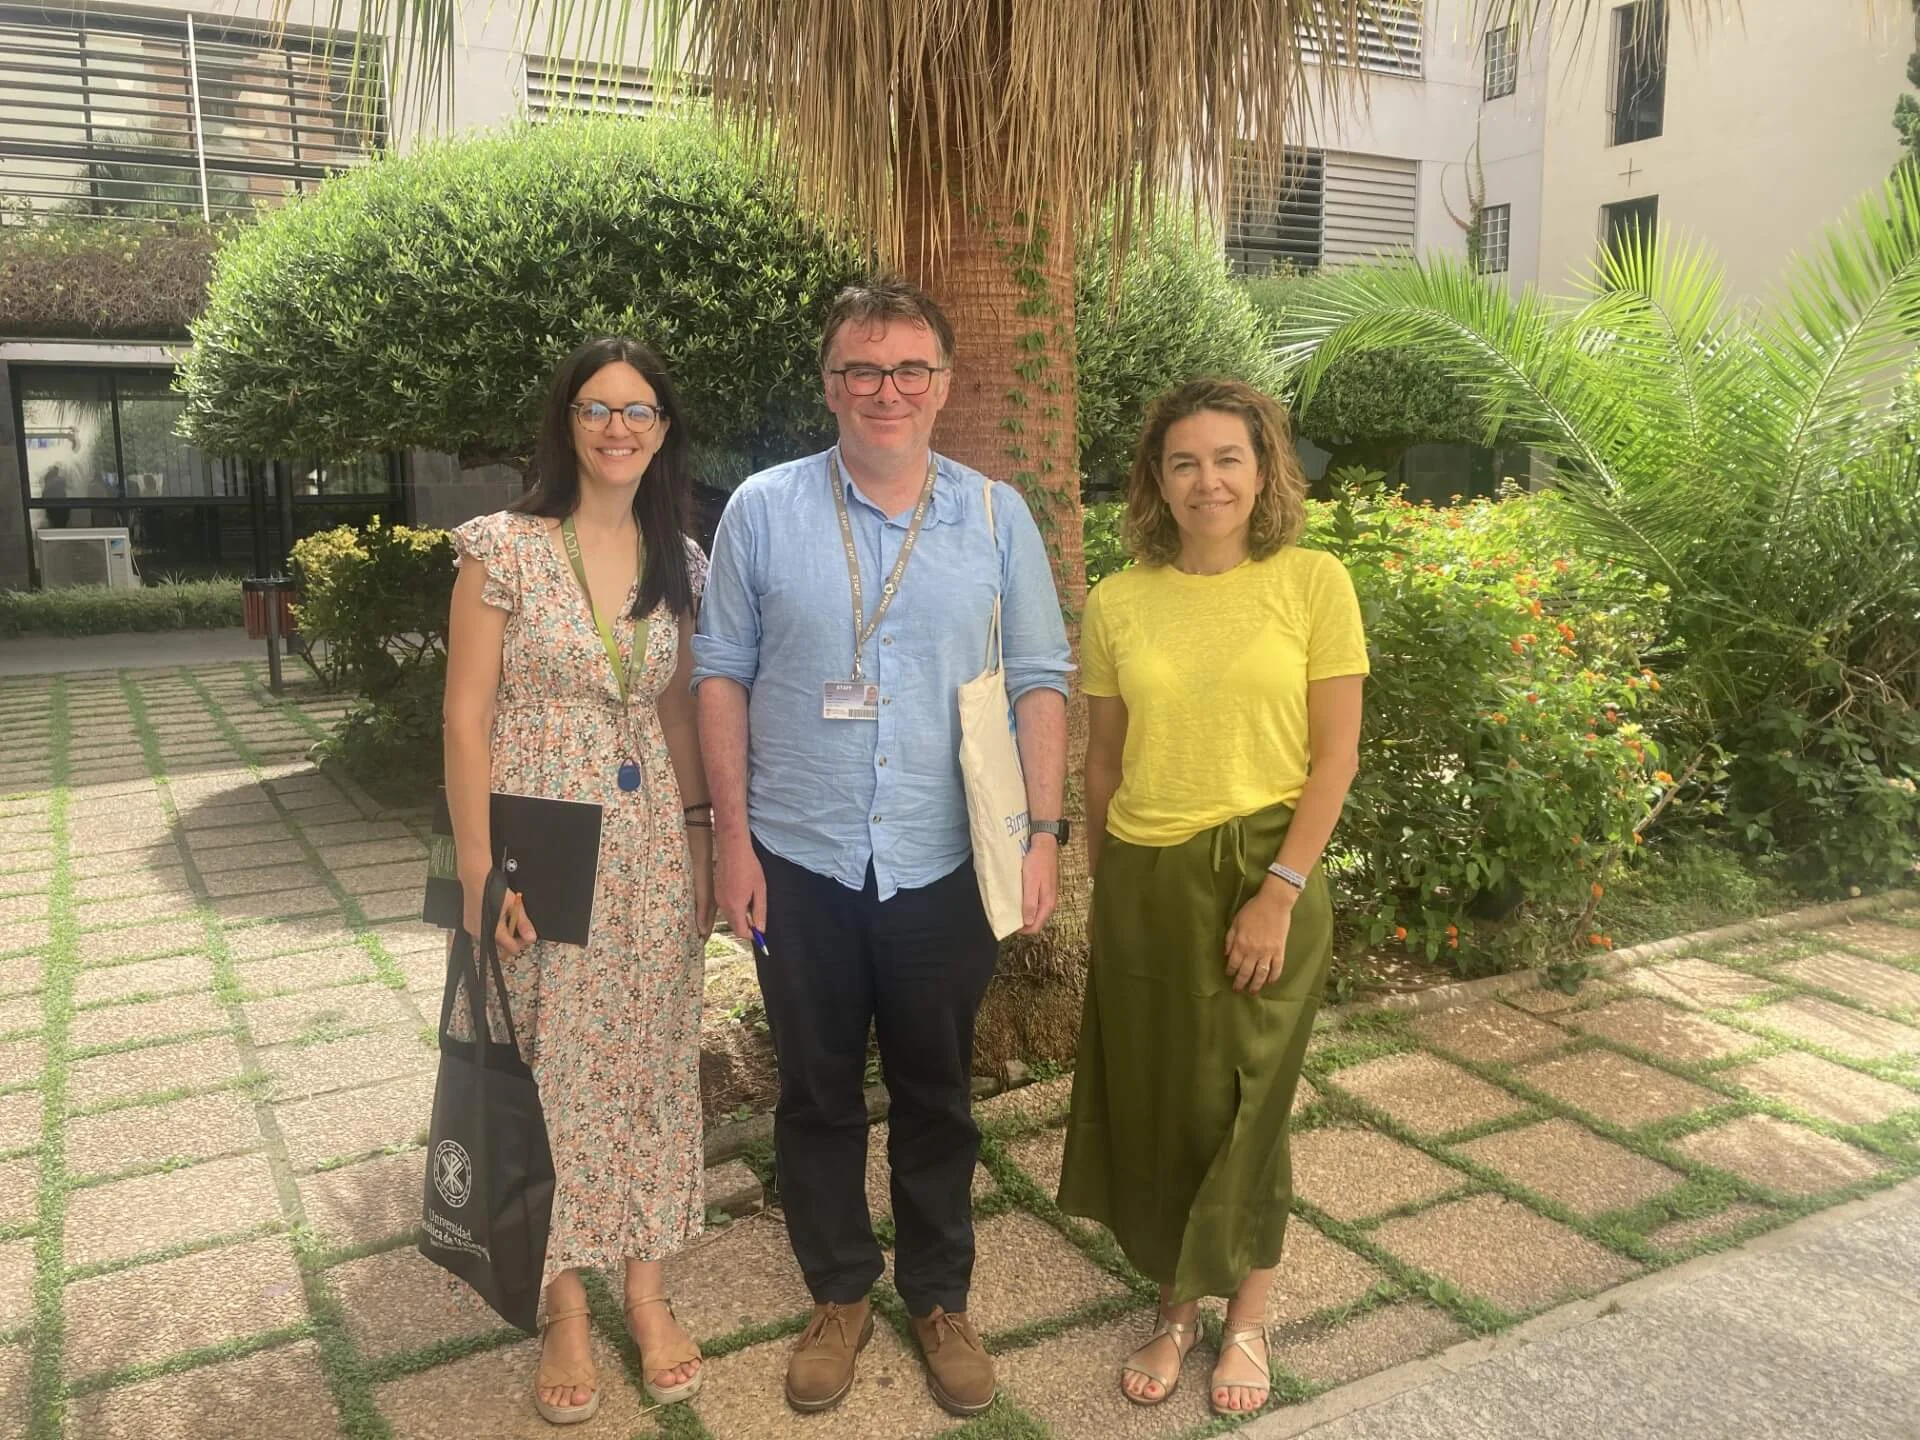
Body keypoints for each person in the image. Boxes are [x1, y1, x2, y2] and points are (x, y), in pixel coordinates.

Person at [693, 276, 1072, 1419]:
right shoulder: (762, 508)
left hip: (941, 859)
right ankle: (840, 1293)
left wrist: (1042, 831)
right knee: (813, 1094)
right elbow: (721, 674)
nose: (886, 390)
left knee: (936, 1090)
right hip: (799, 861)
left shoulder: (997, 516)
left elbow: (1044, 682)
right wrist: (733, 842)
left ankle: (939, 1293)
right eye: (863, 369)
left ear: (944, 386)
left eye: (911, 370)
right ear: (830, 385)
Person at [1056, 378, 1368, 1417]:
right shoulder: (1118, 599)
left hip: (1265, 871)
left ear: (1265, 467)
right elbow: (1103, 761)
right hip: (1146, 875)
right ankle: (1177, 1307)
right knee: (1164, 1103)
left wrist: (1279, 891)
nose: (1208, 480)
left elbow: (1335, 760)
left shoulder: (1314, 583)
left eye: (1229, 458)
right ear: (1155, 479)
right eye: (1183, 461)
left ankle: (1246, 1321)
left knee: (1249, 1103)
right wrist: (1104, 879)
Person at [442, 337, 714, 1425]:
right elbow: (465, 712)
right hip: (537, 835)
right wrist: (476, 872)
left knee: (647, 1058)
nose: (617, 428)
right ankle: (561, 1302)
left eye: (639, 411)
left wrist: (700, 840)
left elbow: (682, 708)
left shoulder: (677, 557)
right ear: (566, 422)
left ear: (663, 429)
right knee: (542, 1061)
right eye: (597, 409)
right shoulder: (502, 548)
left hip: (648, 841)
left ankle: (645, 1291)